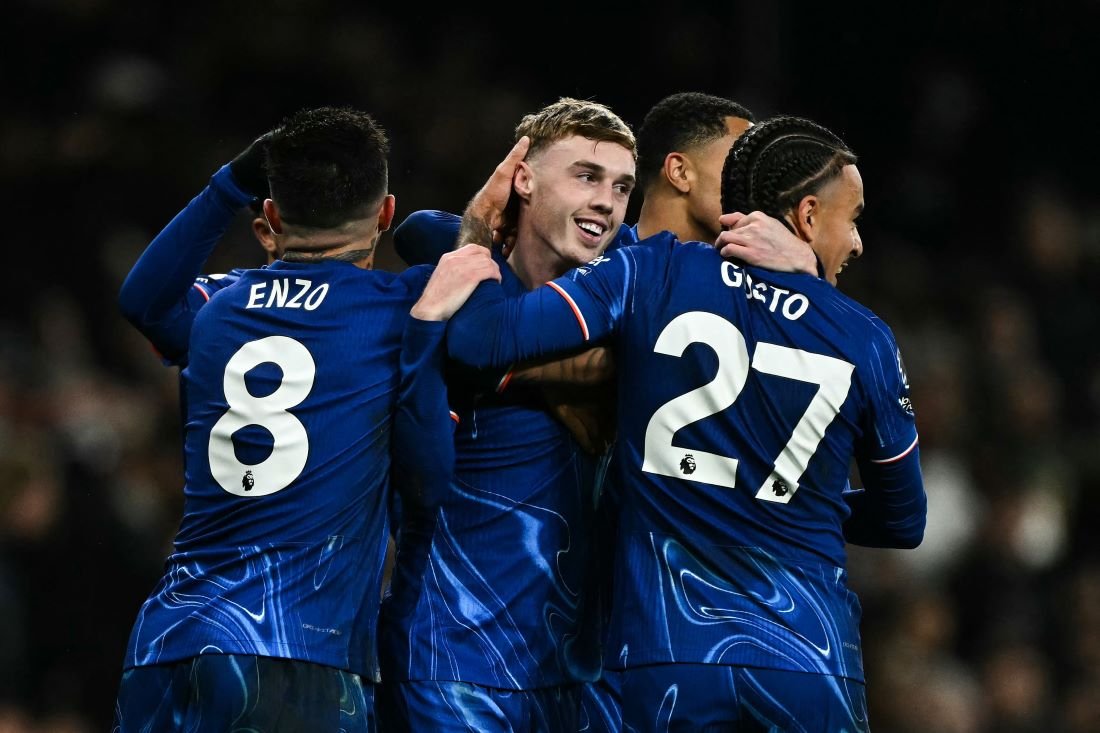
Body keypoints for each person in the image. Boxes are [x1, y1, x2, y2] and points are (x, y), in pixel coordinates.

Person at [430, 114, 927, 731]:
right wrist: (787, 495)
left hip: (666, 659)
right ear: (804, 217)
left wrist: (477, 227)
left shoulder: (653, 273)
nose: (855, 242)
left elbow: (479, 339)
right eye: (851, 219)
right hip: (812, 661)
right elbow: (905, 519)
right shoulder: (866, 337)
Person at [113, 106, 501, 732]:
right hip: (298, 656)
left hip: (169, 644)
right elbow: (462, 257)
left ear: (268, 218)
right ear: (384, 212)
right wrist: (465, 230)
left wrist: (228, 184)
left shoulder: (219, 309)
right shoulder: (402, 308)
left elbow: (143, 299)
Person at [377, 97, 636, 733]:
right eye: (585, 175)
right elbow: (419, 230)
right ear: (521, 178)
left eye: (622, 186)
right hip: (452, 657)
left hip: (573, 672)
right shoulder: (446, 291)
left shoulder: (628, 303)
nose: (606, 199)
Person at [117, 131, 278, 367]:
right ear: (267, 232)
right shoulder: (221, 303)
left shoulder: (351, 300)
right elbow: (143, 305)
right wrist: (227, 190)